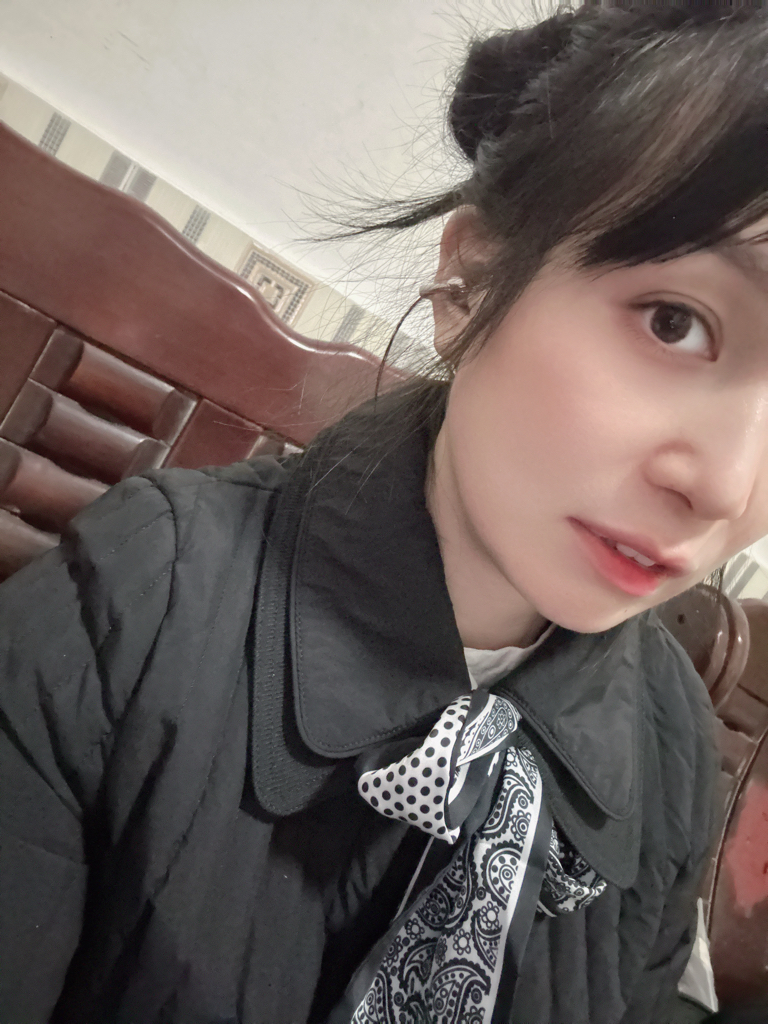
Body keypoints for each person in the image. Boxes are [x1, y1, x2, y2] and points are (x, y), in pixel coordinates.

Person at [2, 1, 768, 1021]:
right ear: (469, 282)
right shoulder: (120, 613)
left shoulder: (672, 742)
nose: (726, 486)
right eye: (675, 321)